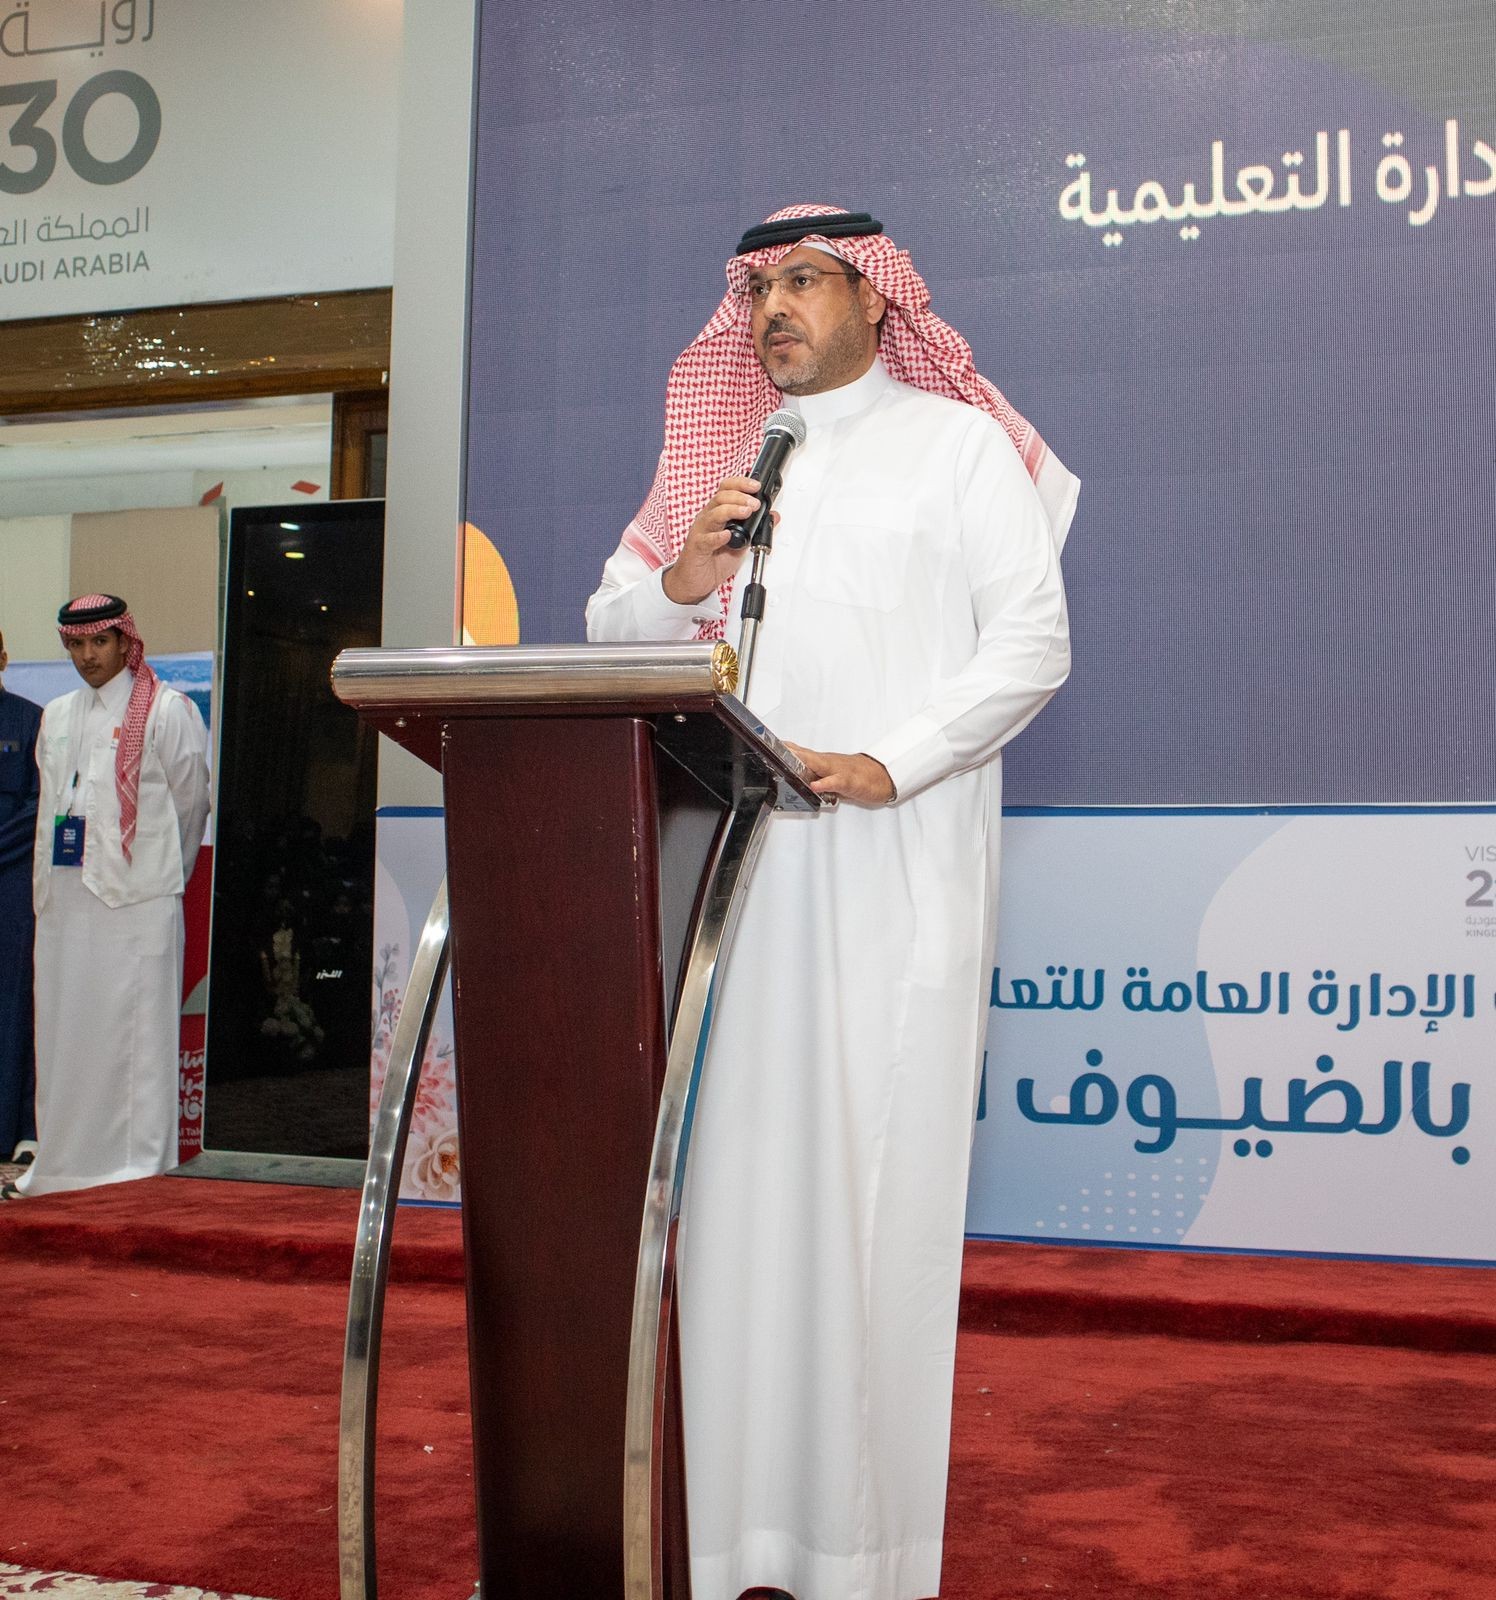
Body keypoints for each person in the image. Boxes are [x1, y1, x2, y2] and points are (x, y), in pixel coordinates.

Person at [587, 204, 1077, 1600]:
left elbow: (1032, 642)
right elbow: (612, 627)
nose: (771, 312)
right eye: (755, 290)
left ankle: (862, 1558)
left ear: (876, 300)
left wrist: (891, 758)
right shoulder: (734, 463)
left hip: (891, 877)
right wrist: (684, 574)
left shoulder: (957, 448)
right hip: (739, 896)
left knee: (873, 1216)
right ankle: (732, 1540)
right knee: (739, 1218)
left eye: (803, 282)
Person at [5, 595, 210, 1200]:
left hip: (139, 902)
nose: (88, 655)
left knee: (135, 1041)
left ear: (124, 641)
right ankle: (65, 1164)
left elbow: (191, 806)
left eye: (99, 642)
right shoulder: (57, 715)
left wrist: (156, 874)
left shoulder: (167, 710)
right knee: (66, 1033)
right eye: (76, 644)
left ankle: (135, 1170)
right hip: (66, 903)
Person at [0, 626, 43, 1165]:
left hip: (11, 883)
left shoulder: (33, 721)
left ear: (4, 659)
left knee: (13, 1004)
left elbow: (42, 804)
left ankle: (16, 1128)